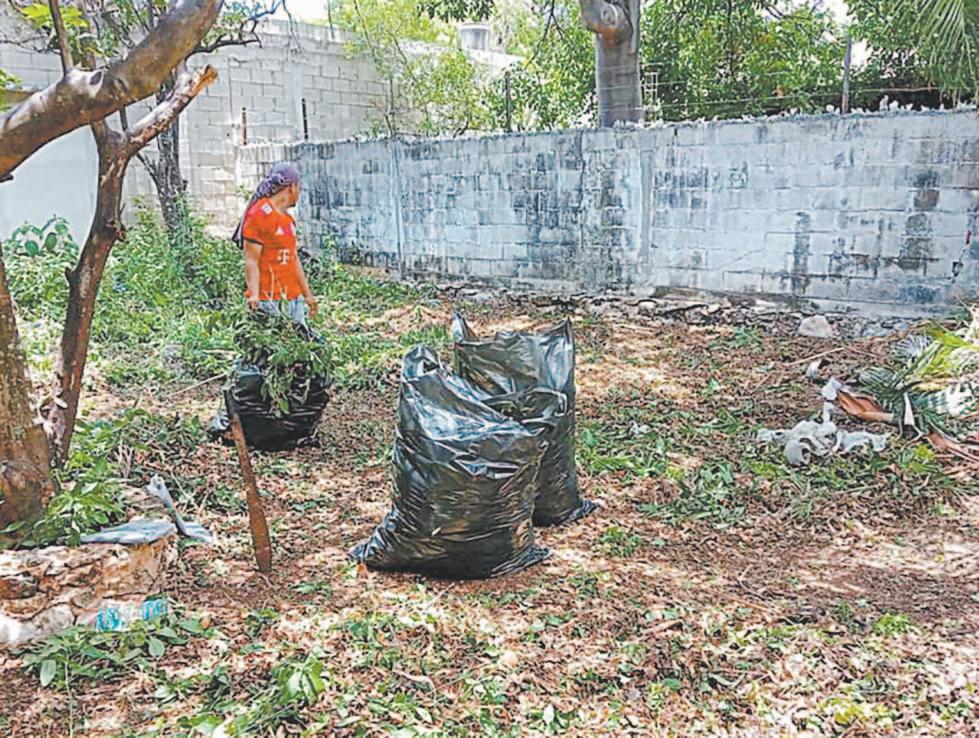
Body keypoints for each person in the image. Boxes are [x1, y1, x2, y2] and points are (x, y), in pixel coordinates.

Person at [232, 162, 318, 326]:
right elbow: (251, 260)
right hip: (268, 300)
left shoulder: (288, 220)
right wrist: (254, 294)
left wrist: (307, 295)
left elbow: (294, 259)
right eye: (299, 188)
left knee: (298, 339)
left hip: (292, 298)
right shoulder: (259, 214)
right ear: (292, 187)